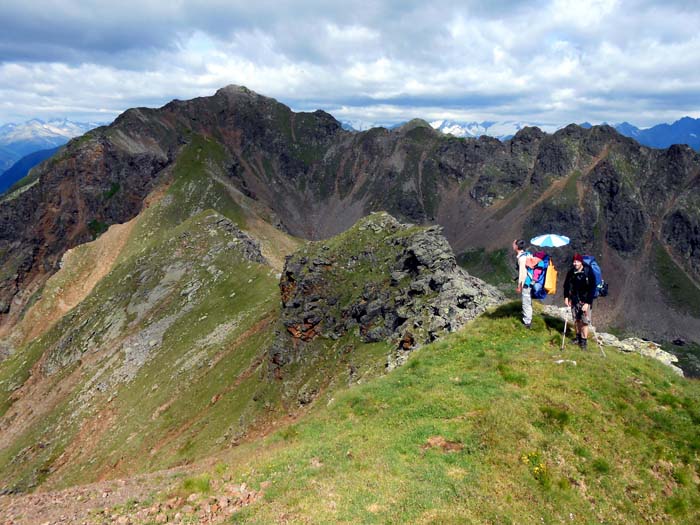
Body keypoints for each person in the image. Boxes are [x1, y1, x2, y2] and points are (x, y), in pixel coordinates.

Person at [563, 253, 597, 348]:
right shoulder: (571, 272)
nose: (575, 263)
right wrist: (566, 297)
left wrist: (587, 303)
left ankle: (584, 341)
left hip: (585, 300)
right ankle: (578, 338)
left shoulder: (588, 272)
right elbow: (566, 285)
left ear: (581, 262)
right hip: (574, 299)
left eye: (577, 261)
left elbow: (592, 288)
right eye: (574, 261)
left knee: (584, 322)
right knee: (576, 320)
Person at [513, 239, 532, 328]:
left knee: (526, 302)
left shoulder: (522, 258)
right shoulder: (527, 254)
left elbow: (522, 274)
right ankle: (528, 318)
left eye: (514, 244)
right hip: (531, 281)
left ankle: (527, 323)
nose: (512, 245)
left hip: (526, 283)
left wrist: (519, 286)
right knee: (528, 301)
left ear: (517, 247)